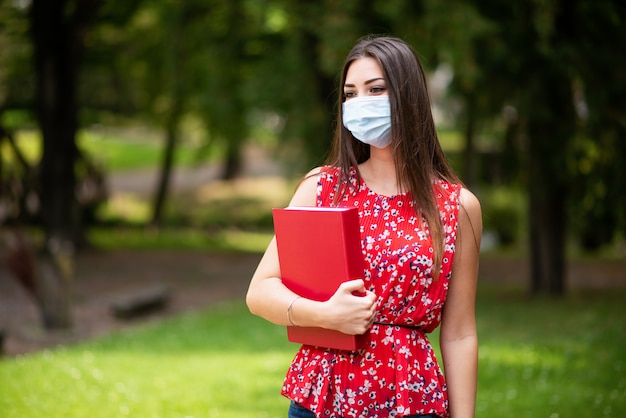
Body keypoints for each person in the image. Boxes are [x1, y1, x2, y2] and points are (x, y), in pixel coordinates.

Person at [246, 35, 482, 418]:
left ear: (410, 96)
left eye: (375, 90)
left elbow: (459, 333)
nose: (360, 104)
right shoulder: (322, 188)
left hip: (411, 397)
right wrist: (324, 315)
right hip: (324, 394)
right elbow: (260, 292)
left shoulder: (458, 207)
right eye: (350, 94)